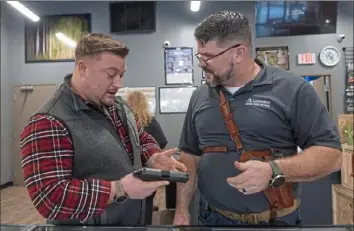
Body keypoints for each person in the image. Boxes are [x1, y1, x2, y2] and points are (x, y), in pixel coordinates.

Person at [173, 11, 343, 226]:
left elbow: (332, 155)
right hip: (212, 219)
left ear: (238, 53)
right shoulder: (199, 96)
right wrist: (181, 210)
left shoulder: (292, 89)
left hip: (275, 222)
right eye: (200, 55)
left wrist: (275, 170)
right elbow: (190, 155)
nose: (201, 63)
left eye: (208, 56)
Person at [19, 33, 187, 226]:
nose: (119, 84)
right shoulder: (47, 122)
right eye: (111, 74)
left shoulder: (119, 106)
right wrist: (119, 189)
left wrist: (153, 157)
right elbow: (50, 198)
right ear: (83, 68)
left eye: (121, 75)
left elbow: (140, 138)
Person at [125, 90, 168, 224]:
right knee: (147, 200)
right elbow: (162, 141)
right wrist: (152, 154)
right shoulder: (151, 121)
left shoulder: (125, 121)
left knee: (128, 200)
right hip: (149, 169)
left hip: (129, 168)